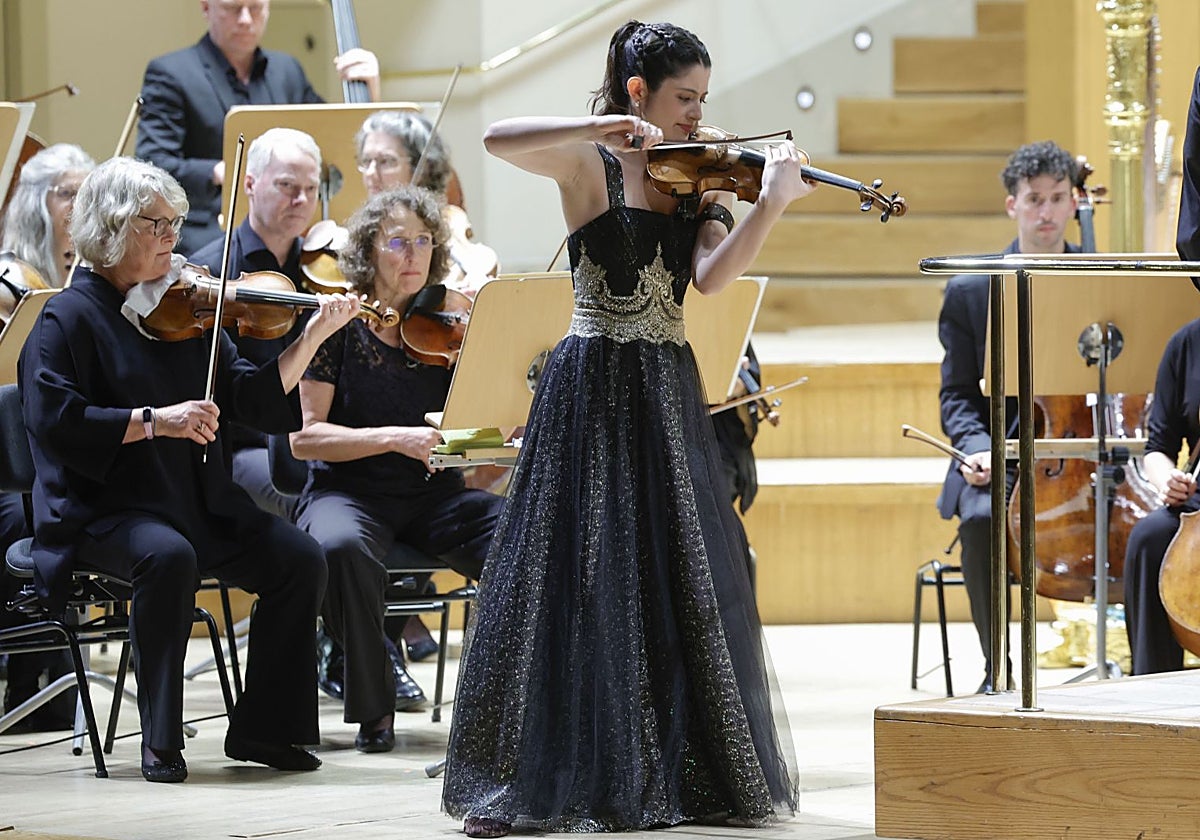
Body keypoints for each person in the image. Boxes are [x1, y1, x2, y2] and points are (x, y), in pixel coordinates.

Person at [441, 20, 811, 835]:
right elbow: (496, 137)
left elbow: (711, 279)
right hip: (591, 379)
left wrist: (772, 204)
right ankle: (562, 774)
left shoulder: (694, 177)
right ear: (638, 92)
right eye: (685, 99)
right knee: (577, 566)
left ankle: (667, 770)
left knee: (664, 563)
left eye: (704, 100)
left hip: (663, 381)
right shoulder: (589, 161)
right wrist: (593, 126)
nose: (696, 116)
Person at [17, 156, 358, 782]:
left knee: (299, 559)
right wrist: (155, 420)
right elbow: (58, 423)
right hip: (102, 510)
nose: (176, 240)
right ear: (116, 227)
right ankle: (160, 740)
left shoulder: (186, 313)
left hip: (196, 499)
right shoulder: (64, 319)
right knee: (167, 557)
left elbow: (254, 399)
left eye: (176, 224)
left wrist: (311, 337)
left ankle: (266, 730)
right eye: (161, 225)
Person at [291, 186, 502, 753]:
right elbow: (306, 438)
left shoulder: (449, 325)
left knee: (524, 530)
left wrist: (496, 392)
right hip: (348, 493)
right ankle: (373, 707)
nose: (414, 255)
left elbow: (479, 424)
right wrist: (394, 438)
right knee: (339, 548)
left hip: (433, 496)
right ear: (368, 250)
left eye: (425, 242)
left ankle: (513, 699)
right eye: (399, 242)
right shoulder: (337, 324)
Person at [936, 140, 1080, 693]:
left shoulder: (1096, 279)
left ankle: (1140, 670)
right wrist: (976, 445)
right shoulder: (973, 289)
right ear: (1011, 205)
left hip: (1078, 453)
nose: (1045, 212)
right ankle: (997, 668)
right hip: (1001, 454)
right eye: (1034, 199)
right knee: (978, 520)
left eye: (1057, 199)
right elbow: (956, 394)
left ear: (1073, 204)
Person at [136, 0, 380, 254]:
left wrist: (370, 91)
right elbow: (152, 164)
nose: (245, 19)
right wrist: (221, 171)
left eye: (255, 8)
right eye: (233, 8)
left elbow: (332, 145)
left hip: (286, 230)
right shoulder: (171, 73)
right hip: (210, 232)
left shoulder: (287, 71)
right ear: (206, 7)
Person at [190, 126, 323, 519]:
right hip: (246, 448)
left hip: (319, 441)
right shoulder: (213, 275)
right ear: (249, 184)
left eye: (311, 189)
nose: (301, 199)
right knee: (311, 503)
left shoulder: (325, 268)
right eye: (286, 185)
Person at [1121, 322, 1200, 675]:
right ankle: (1150, 681)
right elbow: (1158, 448)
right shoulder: (1187, 343)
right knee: (1150, 538)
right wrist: (1167, 479)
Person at [354, 109, 497, 295]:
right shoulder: (359, 233)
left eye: (386, 161)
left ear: (422, 168)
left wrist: (476, 280)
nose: (371, 173)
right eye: (366, 161)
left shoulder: (450, 223)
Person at [1, 143, 95, 287]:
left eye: (85, 196)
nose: (78, 205)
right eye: (66, 193)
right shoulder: (13, 277)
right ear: (36, 204)